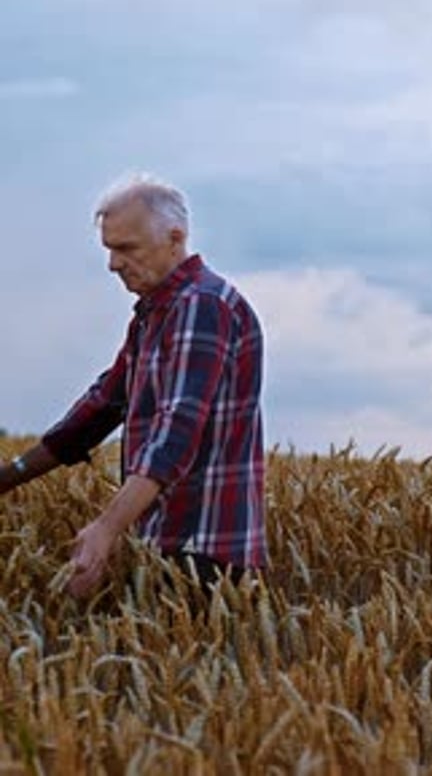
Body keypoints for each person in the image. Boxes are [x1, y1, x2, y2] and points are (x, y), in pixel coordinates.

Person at [0, 173, 268, 598]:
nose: (113, 264)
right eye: (109, 250)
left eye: (125, 248)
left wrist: (105, 529)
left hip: (203, 546)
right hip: (165, 540)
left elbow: (177, 427)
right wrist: (8, 476)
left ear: (175, 238)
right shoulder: (156, 312)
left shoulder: (201, 305)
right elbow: (101, 407)